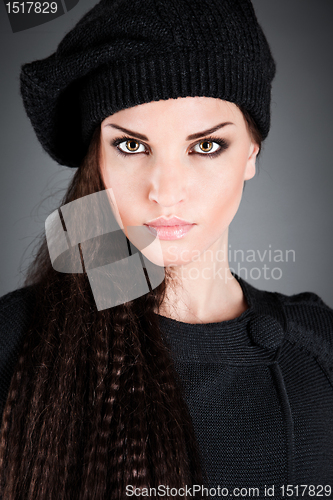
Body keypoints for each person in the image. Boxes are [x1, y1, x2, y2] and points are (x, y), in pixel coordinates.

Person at [0, 0, 332, 498]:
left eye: (205, 146)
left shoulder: (318, 349)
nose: (166, 191)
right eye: (132, 146)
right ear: (98, 159)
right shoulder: (16, 340)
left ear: (250, 154)